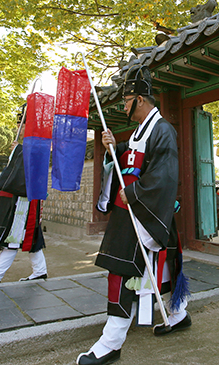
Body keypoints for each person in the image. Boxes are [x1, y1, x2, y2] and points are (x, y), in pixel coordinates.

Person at [78, 64, 190, 365]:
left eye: (127, 100)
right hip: (131, 209)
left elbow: (163, 174)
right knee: (159, 268)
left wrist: (136, 193)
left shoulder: (163, 129)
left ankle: (111, 343)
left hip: (142, 209)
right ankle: (179, 314)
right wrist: (116, 145)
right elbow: (130, 154)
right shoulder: (142, 130)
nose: (124, 105)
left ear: (139, 99)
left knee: (121, 268)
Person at [0, 123, 48, 285]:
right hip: (18, 200)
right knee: (30, 238)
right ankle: (40, 271)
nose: (20, 127)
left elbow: (27, 174)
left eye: (23, 124)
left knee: (13, 237)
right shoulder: (22, 148)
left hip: (23, 201)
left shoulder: (36, 146)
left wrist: (19, 150)